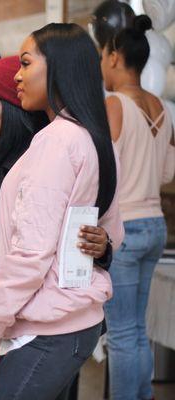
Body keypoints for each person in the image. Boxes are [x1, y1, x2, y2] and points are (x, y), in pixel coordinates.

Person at [0, 23, 124, 400]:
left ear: (59, 67)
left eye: (26, 64)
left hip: (51, 325)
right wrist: (104, 245)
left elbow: (31, 249)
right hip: (73, 320)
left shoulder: (58, 141)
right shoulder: (92, 135)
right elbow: (108, 230)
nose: (18, 75)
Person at [101, 15, 175, 400]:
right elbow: (167, 173)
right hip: (155, 225)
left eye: (103, 55)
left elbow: (106, 173)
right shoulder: (164, 108)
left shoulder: (114, 104)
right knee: (137, 329)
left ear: (114, 57)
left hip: (125, 228)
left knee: (122, 333)